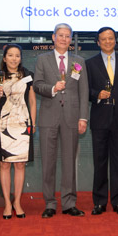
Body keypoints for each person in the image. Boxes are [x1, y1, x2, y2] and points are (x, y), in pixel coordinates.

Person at [33, 23, 88, 218]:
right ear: (53, 37)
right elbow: (37, 85)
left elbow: (83, 91)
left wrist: (83, 117)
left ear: (71, 39)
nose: (64, 39)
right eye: (61, 35)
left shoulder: (78, 61)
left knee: (69, 162)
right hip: (48, 116)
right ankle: (49, 203)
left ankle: (69, 203)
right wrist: (52, 88)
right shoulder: (42, 59)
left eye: (67, 36)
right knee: (48, 162)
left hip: (72, 117)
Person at [85, 26, 118, 215]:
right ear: (98, 42)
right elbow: (85, 90)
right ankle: (100, 201)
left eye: (110, 38)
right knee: (100, 161)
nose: (107, 41)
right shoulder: (90, 63)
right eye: (103, 39)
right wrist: (97, 94)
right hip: (100, 118)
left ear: (115, 40)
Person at [0, 44, 36, 219]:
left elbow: (32, 101)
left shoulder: (28, 75)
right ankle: (7, 204)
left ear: (20, 58)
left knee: (20, 164)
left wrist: (33, 123)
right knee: (5, 164)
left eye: (17, 55)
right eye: (10, 55)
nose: (14, 59)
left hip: (23, 122)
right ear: (4, 58)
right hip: (4, 124)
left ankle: (17, 202)